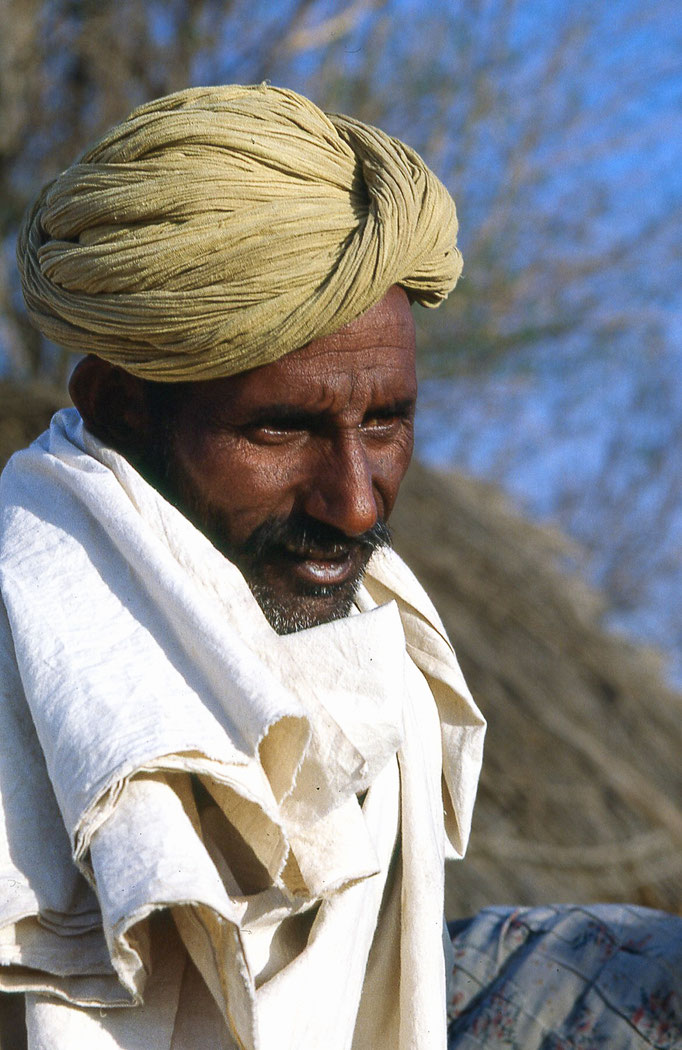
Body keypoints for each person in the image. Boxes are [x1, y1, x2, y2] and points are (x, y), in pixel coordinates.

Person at [1, 84, 681, 1050]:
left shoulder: (386, 658)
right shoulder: (28, 658)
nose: (356, 504)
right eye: (280, 428)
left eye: (388, 422)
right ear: (121, 407)